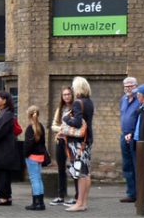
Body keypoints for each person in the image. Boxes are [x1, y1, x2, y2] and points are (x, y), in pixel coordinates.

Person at [65, 76, 94, 213]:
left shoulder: (77, 103)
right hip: (87, 140)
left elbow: (77, 122)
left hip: (78, 142)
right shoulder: (89, 102)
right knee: (86, 172)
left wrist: (66, 119)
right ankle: (84, 202)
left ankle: (79, 203)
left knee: (81, 173)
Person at [50, 85, 78, 206]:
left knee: (74, 169)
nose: (66, 96)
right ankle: (60, 196)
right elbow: (53, 125)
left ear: (72, 95)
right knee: (61, 168)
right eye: (64, 95)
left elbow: (77, 124)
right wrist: (61, 128)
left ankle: (77, 197)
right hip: (60, 140)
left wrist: (65, 129)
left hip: (71, 141)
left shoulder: (76, 108)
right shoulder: (60, 108)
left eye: (68, 94)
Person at [0, 91, 19, 207]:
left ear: (5, 100)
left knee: (3, 174)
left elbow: (0, 131)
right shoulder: (0, 112)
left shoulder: (7, 114)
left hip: (5, 150)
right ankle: (2, 195)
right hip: (0, 149)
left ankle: (5, 197)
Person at [119, 76, 140, 203]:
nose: (128, 88)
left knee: (137, 165)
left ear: (136, 86)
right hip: (124, 135)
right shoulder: (123, 99)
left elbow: (140, 119)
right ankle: (131, 193)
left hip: (135, 137)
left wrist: (132, 133)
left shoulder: (140, 99)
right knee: (127, 166)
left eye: (131, 85)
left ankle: (141, 193)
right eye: (126, 86)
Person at [23, 105, 47, 211]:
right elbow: (43, 142)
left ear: (29, 115)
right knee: (38, 179)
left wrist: (24, 154)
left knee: (34, 179)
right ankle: (41, 202)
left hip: (32, 157)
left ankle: (36, 203)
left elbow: (28, 145)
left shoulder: (30, 128)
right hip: (40, 156)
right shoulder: (40, 126)